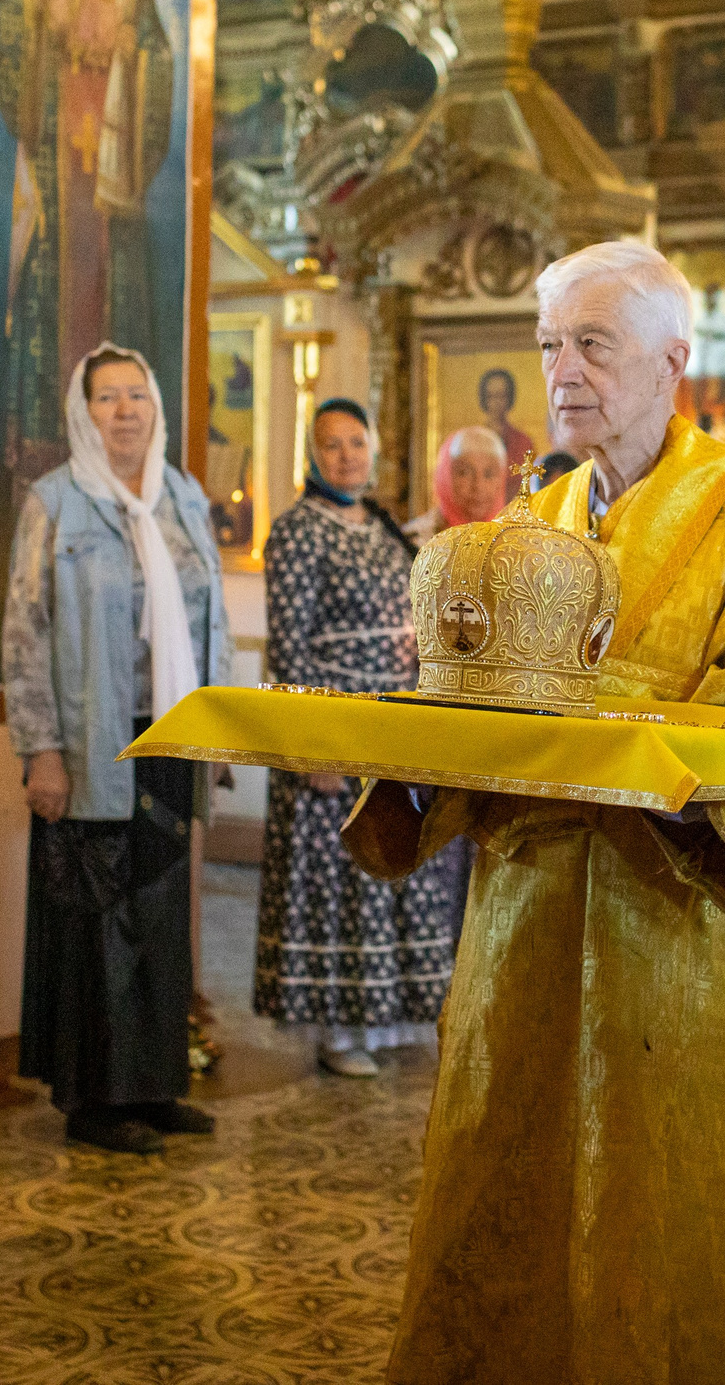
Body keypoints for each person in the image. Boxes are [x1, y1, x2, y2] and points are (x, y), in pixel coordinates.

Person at [346, 239, 725, 1383]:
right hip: (526, 920)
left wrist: (580, 713)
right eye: (547, 347)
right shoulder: (525, 525)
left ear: (673, 358)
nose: (562, 371)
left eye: (591, 344)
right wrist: (429, 730)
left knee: (672, 1199)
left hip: (676, 932)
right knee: (508, 1176)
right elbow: (473, 707)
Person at [3, 344, 230, 1154]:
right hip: (90, 741)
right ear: (83, 411)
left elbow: (214, 624)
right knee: (98, 919)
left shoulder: (181, 496)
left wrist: (222, 730)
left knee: (162, 915)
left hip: (170, 735)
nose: (126, 410)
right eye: (109, 397)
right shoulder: (55, 503)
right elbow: (25, 633)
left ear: (156, 408)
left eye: (139, 394)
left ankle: (156, 1083)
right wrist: (42, 750)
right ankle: (96, 1100)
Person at [0, 0, 177, 493]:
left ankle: (115, 455)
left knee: (108, 294)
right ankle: (43, 444)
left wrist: (132, 41)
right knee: (52, 284)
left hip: (111, 160)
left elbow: (158, 47)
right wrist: (38, 7)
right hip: (56, 160)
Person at [256, 400, 462, 1077]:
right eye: (332, 445)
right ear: (312, 456)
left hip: (396, 723)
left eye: (357, 442)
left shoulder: (383, 525)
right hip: (338, 727)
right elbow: (289, 646)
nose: (347, 455)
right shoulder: (296, 530)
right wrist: (319, 743)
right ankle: (338, 1029)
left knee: (397, 868)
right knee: (340, 879)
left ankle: (390, 1020)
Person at [405, 423, 508, 543]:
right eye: (464, 473)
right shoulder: (414, 541)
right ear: (445, 477)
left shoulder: (517, 543)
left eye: (489, 474)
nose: (478, 486)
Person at [476, 366, 538, 496]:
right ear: (484, 399)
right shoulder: (474, 441)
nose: (496, 403)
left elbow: (527, 484)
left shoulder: (523, 442)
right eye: (491, 396)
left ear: (509, 398)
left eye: (501, 396)